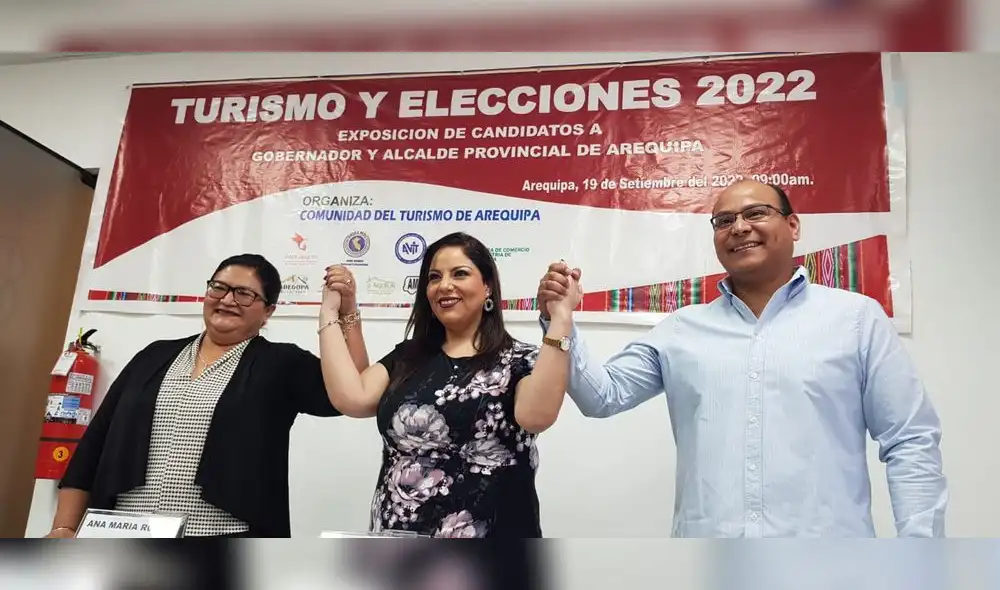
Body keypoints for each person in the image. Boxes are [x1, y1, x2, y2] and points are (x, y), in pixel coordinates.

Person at [536, 180, 948, 538]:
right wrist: (560, 319)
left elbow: (909, 440)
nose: (739, 228)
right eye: (724, 220)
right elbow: (602, 396)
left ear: (793, 225)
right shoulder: (681, 328)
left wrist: (920, 552)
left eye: (756, 213)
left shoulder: (856, 318)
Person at [46, 253, 370, 537]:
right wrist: (63, 527)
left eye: (244, 294)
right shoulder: (153, 356)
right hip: (124, 533)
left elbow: (352, 389)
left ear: (267, 311)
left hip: (220, 543)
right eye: (219, 287)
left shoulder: (281, 363)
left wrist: (346, 311)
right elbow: (96, 443)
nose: (227, 300)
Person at [318, 231, 581, 538]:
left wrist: (561, 317)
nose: (444, 285)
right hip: (400, 546)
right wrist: (334, 312)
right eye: (434, 277)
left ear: (487, 288)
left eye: (460, 273)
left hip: (492, 552)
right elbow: (352, 398)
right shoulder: (408, 357)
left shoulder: (521, 360)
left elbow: (538, 416)